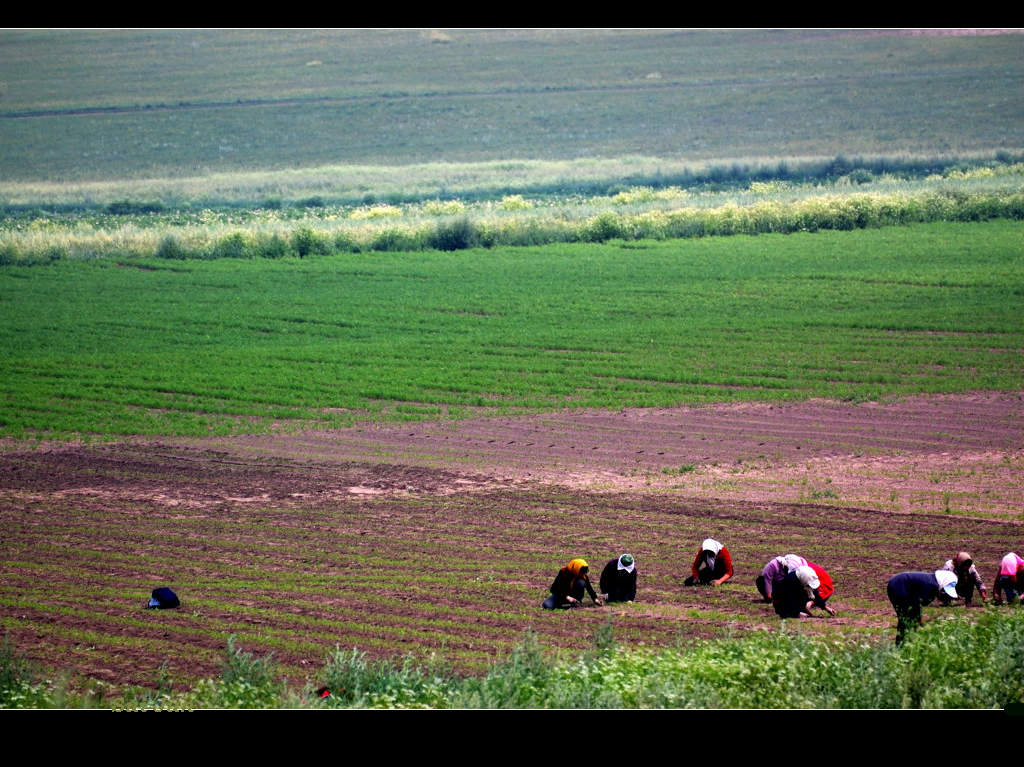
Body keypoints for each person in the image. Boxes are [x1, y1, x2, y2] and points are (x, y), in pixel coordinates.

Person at [886, 570, 959, 645]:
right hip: (898, 586)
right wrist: (919, 619)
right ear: (943, 583)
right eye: (944, 591)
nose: (944, 593)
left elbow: (917, 603)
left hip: (897, 585)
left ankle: (907, 642)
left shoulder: (932, 582)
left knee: (909, 619)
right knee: (905, 618)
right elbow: (918, 603)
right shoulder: (932, 586)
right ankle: (902, 644)